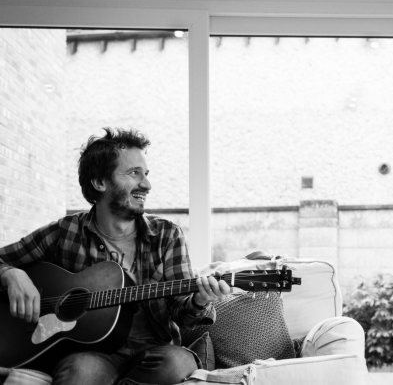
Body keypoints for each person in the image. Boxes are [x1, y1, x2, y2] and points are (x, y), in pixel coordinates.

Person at [0, 128, 231, 384]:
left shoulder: (167, 235)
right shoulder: (64, 232)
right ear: (100, 182)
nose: (146, 184)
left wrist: (199, 301)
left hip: (154, 351)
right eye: (134, 173)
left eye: (146, 174)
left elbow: (182, 313)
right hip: (92, 354)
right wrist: (11, 273)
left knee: (177, 364)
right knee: (81, 373)